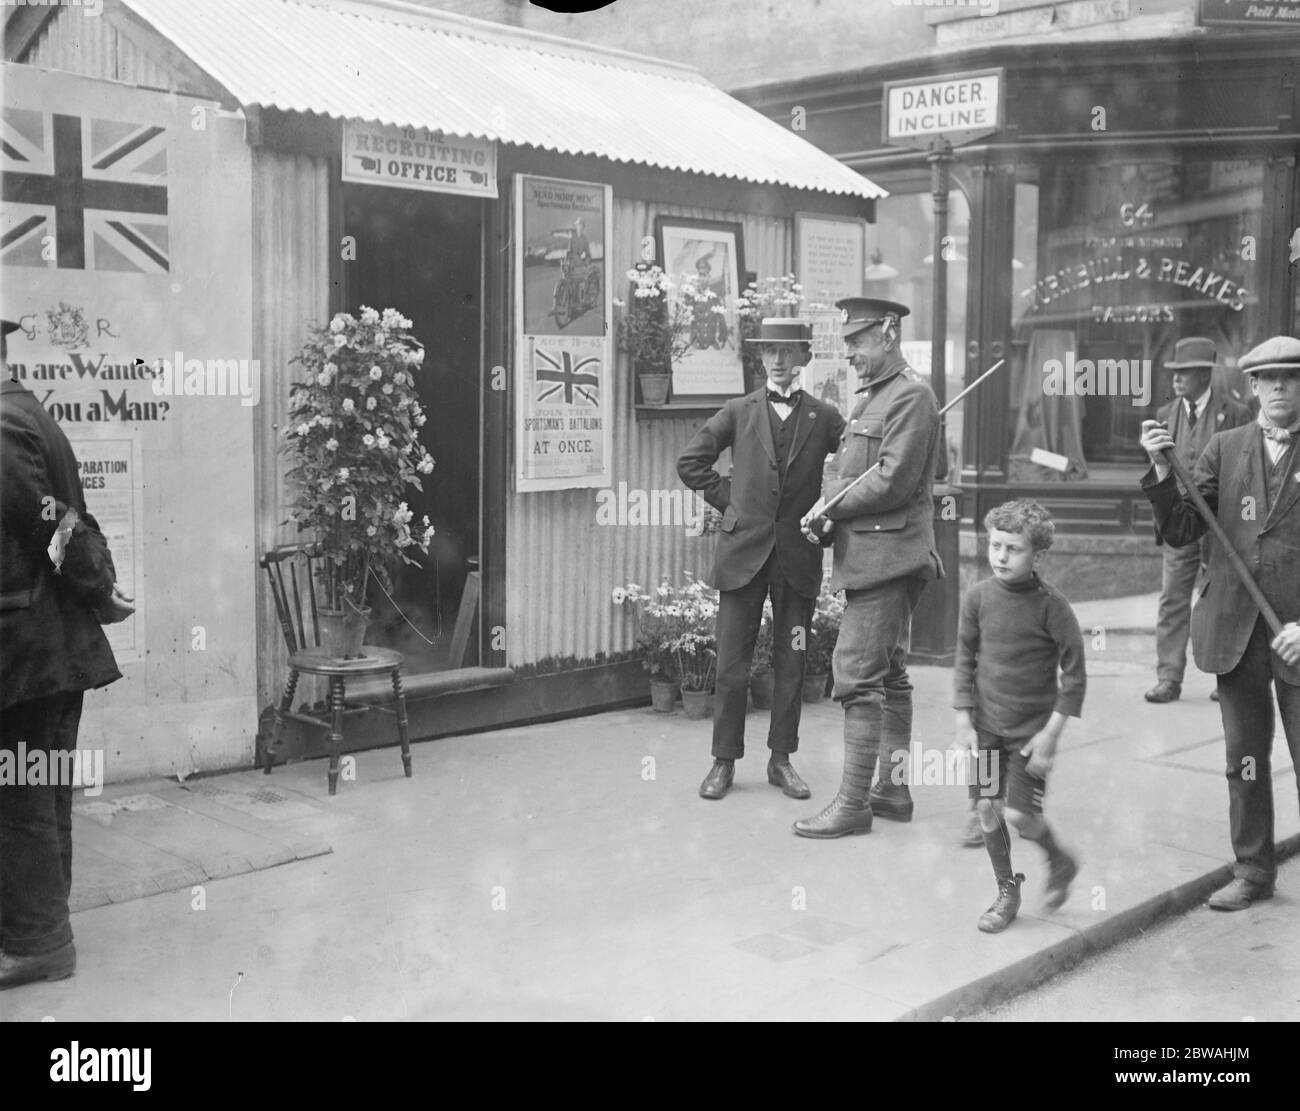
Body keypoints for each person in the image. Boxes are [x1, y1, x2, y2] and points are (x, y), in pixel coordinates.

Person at [1139, 335, 1300, 911]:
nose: (1280, 387)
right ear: (1252, 386)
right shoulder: (1227, 447)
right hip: (1234, 631)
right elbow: (1183, 529)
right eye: (1269, 378)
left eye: (1291, 377)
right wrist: (1161, 467)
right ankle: (1254, 871)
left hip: (1296, 637)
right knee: (1245, 759)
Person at [0, 317, 130, 989]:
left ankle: (39, 942)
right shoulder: (30, 414)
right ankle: (43, 925)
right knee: (38, 788)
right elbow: (70, 515)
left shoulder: (1, 423)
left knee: (19, 796)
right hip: (46, 645)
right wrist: (99, 585)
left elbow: (48, 520)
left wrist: (95, 583)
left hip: (25, 648)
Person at [677, 318, 846, 801]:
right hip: (742, 555)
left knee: (791, 662)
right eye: (770, 350)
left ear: (805, 358)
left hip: (797, 557)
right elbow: (690, 463)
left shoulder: (826, 417)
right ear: (760, 357)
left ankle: (781, 760)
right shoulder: (738, 410)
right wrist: (731, 503)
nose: (778, 360)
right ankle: (723, 762)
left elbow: (853, 465)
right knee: (731, 663)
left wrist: (829, 510)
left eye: (788, 351)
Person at [793, 297, 944, 837]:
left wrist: (832, 502)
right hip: (874, 554)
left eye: (857, 341)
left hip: (890, 560)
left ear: (888, 331)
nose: (850, 353)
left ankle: (854, 804)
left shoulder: (913, 398)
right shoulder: (873, 400)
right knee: (890, 674)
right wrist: (828, 515)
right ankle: (892, 790)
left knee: (856, 673)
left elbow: (894, 481)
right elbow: (857, 473)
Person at [956, 500, 1086, 932]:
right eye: (995, 546)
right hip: (987, 729)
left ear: (1037, 556)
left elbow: (1075, 677)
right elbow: (963, 660)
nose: (1001, 556)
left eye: (1013, 549)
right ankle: (1007, 891)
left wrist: (1051, 735)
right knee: (988, 809)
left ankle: (1059, 859)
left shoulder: (1053, 607)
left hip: (1030, 735)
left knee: (1020, 817)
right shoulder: (977, 598)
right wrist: (963, 720)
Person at [1145, 337, 1250, 704]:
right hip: (1180, 524)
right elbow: (1158, 473)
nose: (1176, 380)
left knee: (1221, 598)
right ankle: (1169, 677)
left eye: (1185, 372)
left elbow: (1246, 467)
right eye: (1174, 373)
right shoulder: (1163, 415)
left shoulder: (1235, 412)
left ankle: (1226, 675)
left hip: (1221, 525)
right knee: (1173, 597)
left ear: (1205, 375)